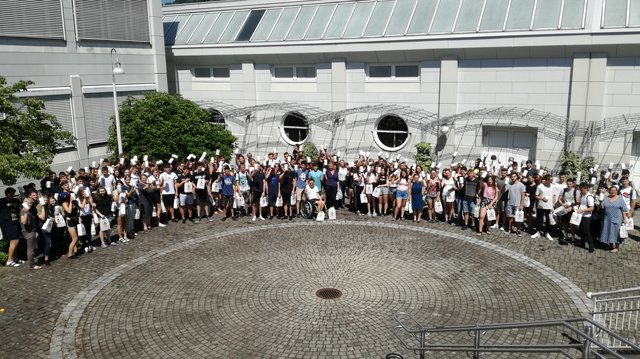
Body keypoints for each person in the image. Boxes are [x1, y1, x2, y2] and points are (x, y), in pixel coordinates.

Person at [600, 185, 629, 253]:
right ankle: (610, 245)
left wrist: (624, 218)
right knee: (608, 231)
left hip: (617, 218)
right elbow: (602, 207)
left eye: (614, 190)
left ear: (617, 191)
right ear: (609, 191)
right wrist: (601, 200)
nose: (613, 191)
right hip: (607, 218)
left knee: (616, 233)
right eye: (611, 190)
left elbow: (624, 209)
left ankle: (616, 247)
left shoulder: (620, 199)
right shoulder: (606, 198)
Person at [530, 174, 557, 242]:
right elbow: (536, 196)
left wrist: (553, 205)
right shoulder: (540, 186)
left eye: (552, 180)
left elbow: (554, 196)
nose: (551, 182)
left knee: (548, 220)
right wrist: (542, 198)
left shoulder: (553, 187)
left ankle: (547, 233)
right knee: (539, 219)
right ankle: (538, 232)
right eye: (550, 180)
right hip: (541, 205)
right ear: (546, 180)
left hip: (549, 206)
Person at [1, 188, 22, 267]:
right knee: (14, 240)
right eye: (10, 193)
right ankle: (9, 260)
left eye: (13, 193)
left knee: (15, 241)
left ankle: (15, 258)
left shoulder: (16, 201)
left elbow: (22, 206)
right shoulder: (2, 202)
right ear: (6, 194)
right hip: (8, 223)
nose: (12, 195)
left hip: (16, 222)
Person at [20, 189, 41, 269]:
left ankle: (33, 261)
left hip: (32, 230)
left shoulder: (31, 208)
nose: (30, 204)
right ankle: (31, 265)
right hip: (28, 232)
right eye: (29, 203)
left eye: (31, 203)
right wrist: (25, 212)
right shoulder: (23, 210)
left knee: (34, 247)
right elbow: (23, 221)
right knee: (30, 249)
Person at [575, 183, 595, 253]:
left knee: (586, 231)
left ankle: (591, 246)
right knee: (581, 230)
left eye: (582, 190)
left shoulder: (589, 197)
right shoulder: (582, 195)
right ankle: (582, 243)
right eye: (580, 190)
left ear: (585, 188)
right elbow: (580, 203)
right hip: (581, 215)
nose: (581, 191)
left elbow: (592, 208)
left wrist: (582, 210)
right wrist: (577, 207)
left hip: (586, 217)